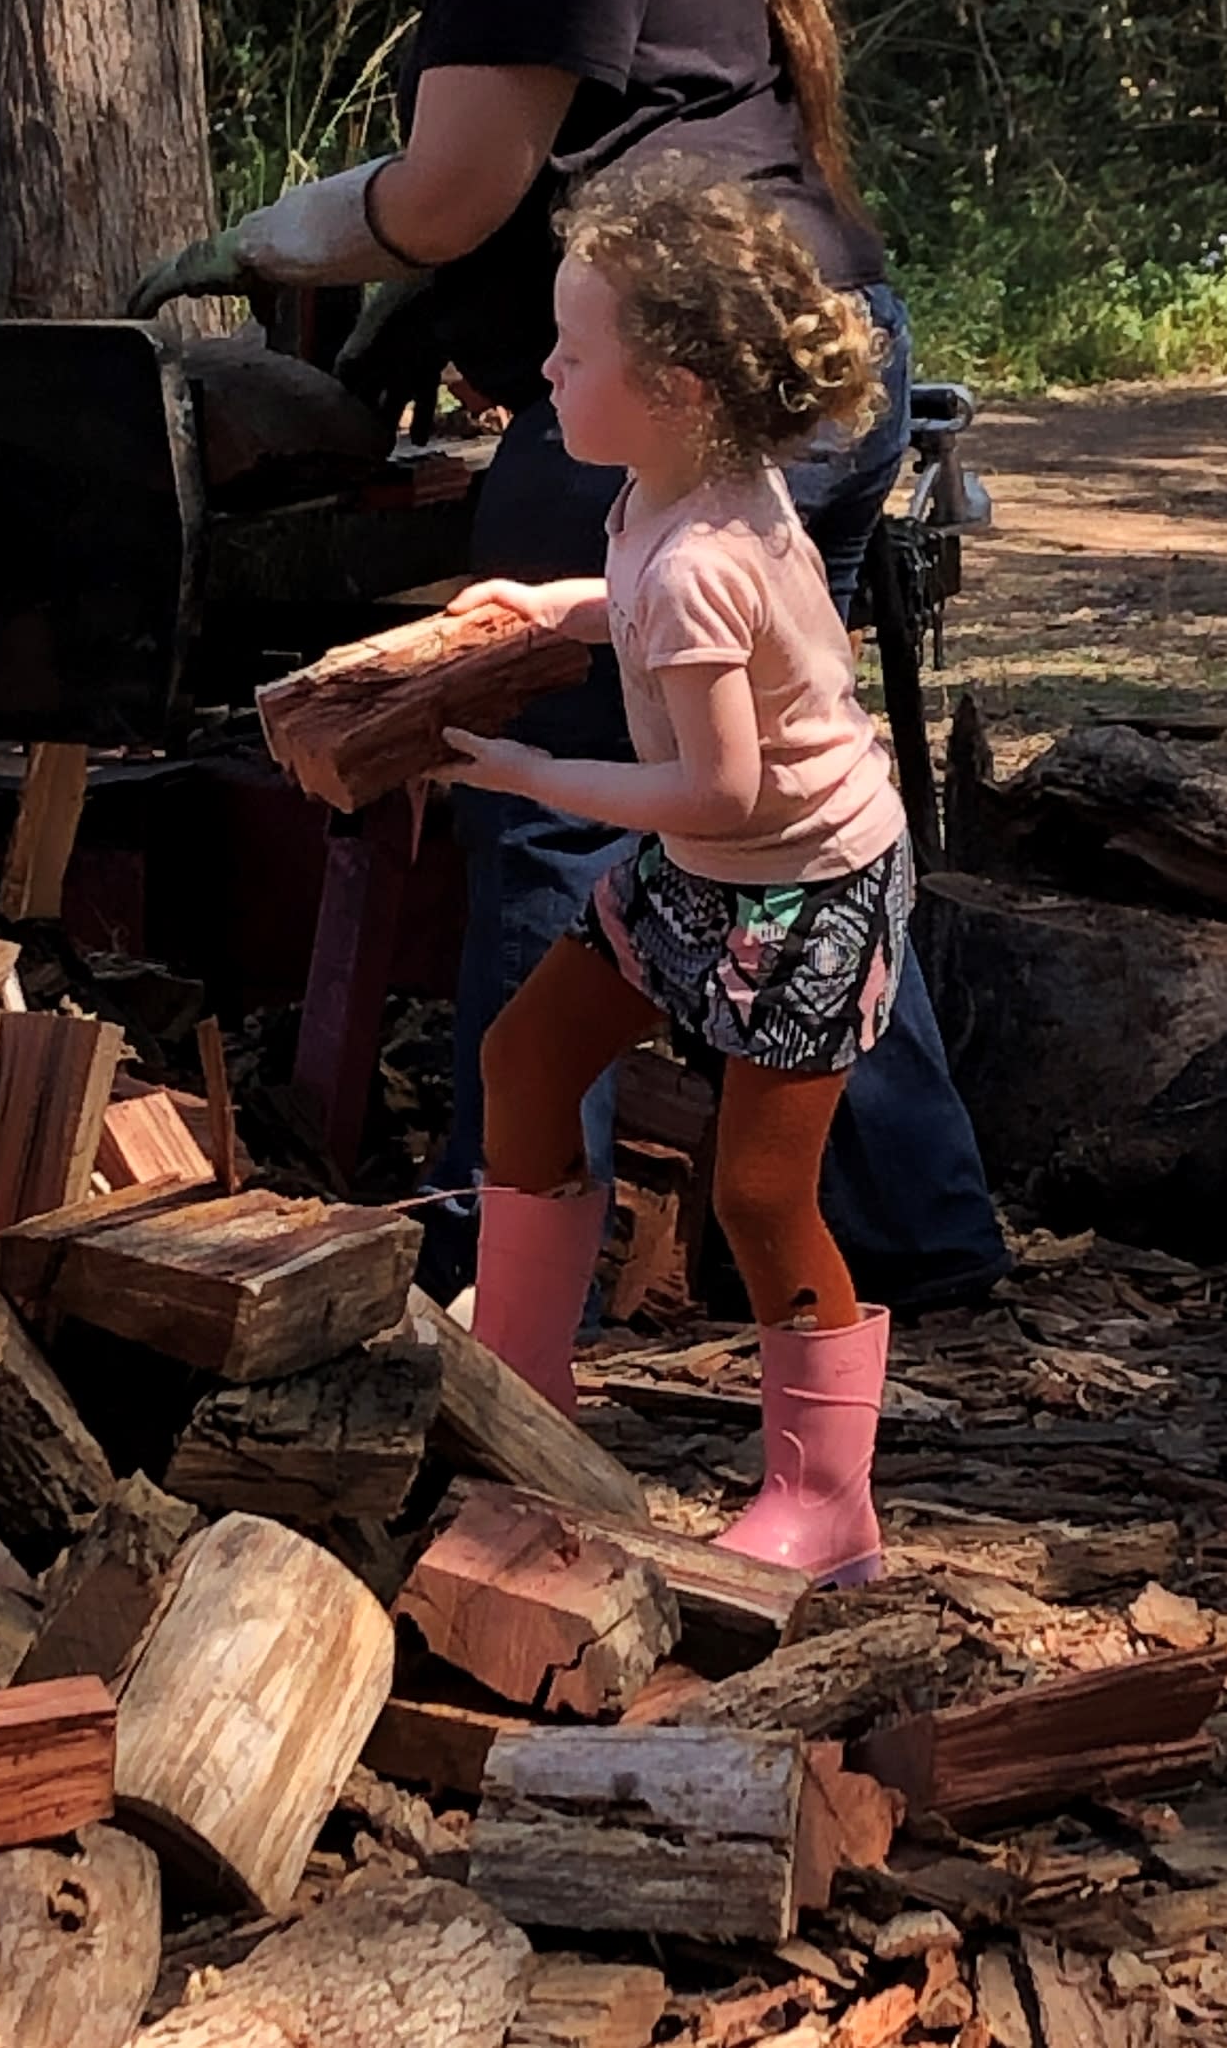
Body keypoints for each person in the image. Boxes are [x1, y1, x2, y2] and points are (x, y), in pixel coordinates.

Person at [130, 0, 1004, 1312]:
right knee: (804, 796)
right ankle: (921, 1227)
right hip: (801, 349)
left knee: (531, 785)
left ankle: (504, 1258)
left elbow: (454, 195)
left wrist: (294, 231)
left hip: (708, 385)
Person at [448, 172, 904, 1583]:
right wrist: (554, 606)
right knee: (529, 1058)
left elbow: (725, 785)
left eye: (573, 356)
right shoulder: (669, 490)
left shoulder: (710, 545)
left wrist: (534, 778)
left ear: (675, 388)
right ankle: (525, 1386)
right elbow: (641, 609)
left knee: (763, 1194)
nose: (544, 369)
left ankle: (830, 1500)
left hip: (804, 887)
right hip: (707, 873)